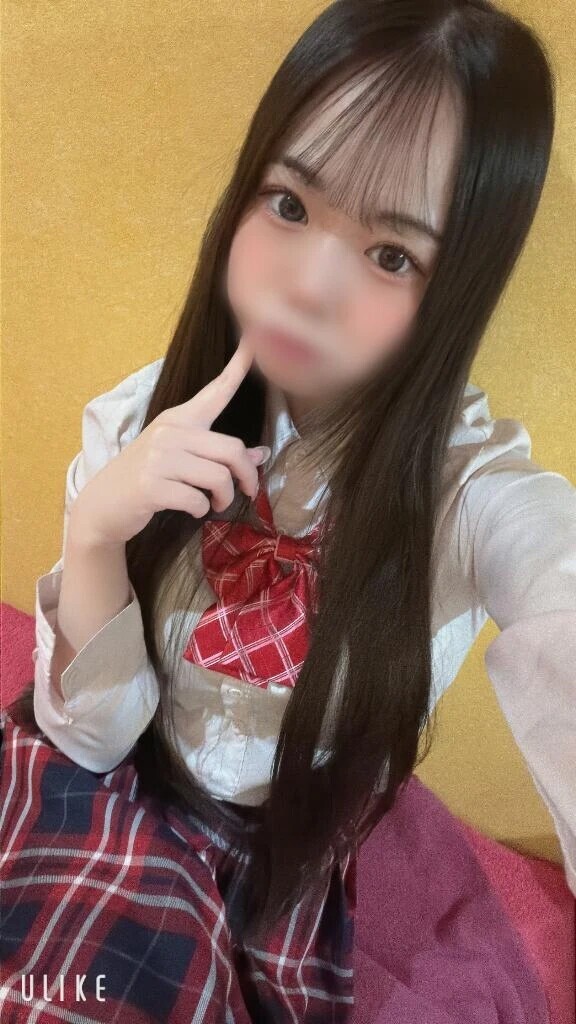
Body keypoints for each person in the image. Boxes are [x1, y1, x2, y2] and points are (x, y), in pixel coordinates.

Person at [1, 0, 575, 1021]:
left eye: (392, 254)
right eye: (290, 204)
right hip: (122, 778)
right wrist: (95, 533)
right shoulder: (138, 421)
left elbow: (555, 584)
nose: (307, 289)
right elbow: (93, 739)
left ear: (456, 287)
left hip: (285, 844)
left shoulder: (468, 494)